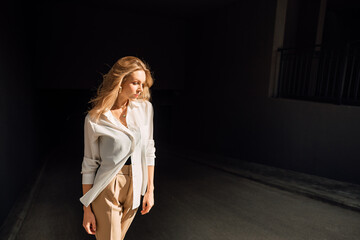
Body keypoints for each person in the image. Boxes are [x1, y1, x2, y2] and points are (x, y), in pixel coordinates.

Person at [80, 56, 156, 240]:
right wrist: (87, 208)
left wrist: (150, 190)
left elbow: (148, 149)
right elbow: (89, 164)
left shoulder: (145, 109)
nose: (140, 89)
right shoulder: (95, 118)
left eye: (143, 84)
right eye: (135, 83)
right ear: (120, 82)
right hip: (108, 186)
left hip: (137, 185)